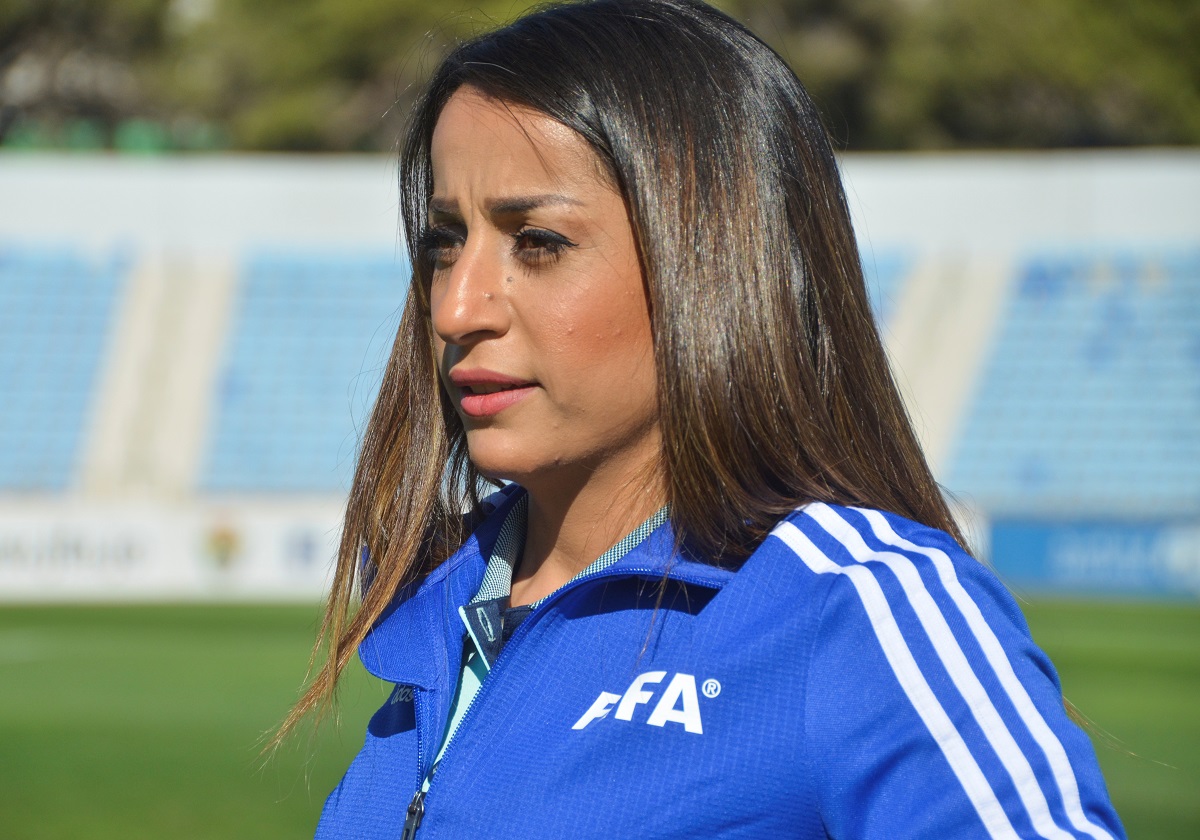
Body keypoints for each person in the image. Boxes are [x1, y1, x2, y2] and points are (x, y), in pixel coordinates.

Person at [285, 1, 1127, 837]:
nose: (457, 307)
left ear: (710, 258)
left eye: (537, 241)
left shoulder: (853, 607)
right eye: (444, 242)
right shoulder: (441, 599)